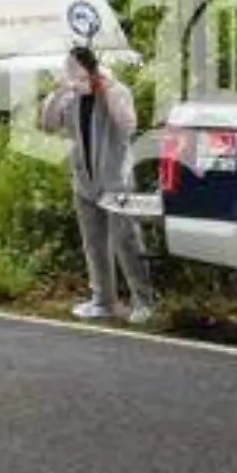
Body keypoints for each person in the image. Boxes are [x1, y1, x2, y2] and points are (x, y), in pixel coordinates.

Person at [39, 46, 157, 324]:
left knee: (126, 241)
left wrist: (104, 91)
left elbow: (128, 126)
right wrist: (58, 92)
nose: (72, 77)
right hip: (84, 180)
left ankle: (144, 301)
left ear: (91, 70)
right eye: (68, 71)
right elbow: (47, 125)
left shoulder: (117, 91)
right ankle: (104, 301)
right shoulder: (69, 98)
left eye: (75, 71)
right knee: (94, 243)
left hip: (116, 181)